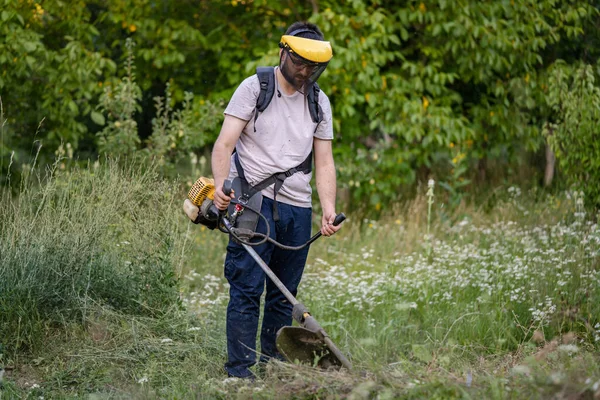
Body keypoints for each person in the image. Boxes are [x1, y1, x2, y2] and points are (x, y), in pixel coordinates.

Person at [210, 21, 342, 379]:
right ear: (284, 53)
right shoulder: (255, 89)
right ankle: (240, 372)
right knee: (247, 290)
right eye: (300, 64)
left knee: (284, 296)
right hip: (253, 202)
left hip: (297, 208)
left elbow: (324, 160)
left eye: (312, 67)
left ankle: (273, 368)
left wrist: (328, 208)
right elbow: (223, 144)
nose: (306, 72)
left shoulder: (319, 101)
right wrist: (223, 188)